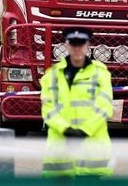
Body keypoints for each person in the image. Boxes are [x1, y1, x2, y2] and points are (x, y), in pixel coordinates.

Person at [40, 27, 113, 177]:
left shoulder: (101, 73)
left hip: (92, 156)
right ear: (66, 45)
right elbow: (48, 108)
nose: (77, 48)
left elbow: (104, 106)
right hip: (60, 156)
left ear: (88, 46)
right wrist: (65, 129)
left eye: (81, 44)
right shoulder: (51, 75)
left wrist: (84, 130)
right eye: (73, 44)